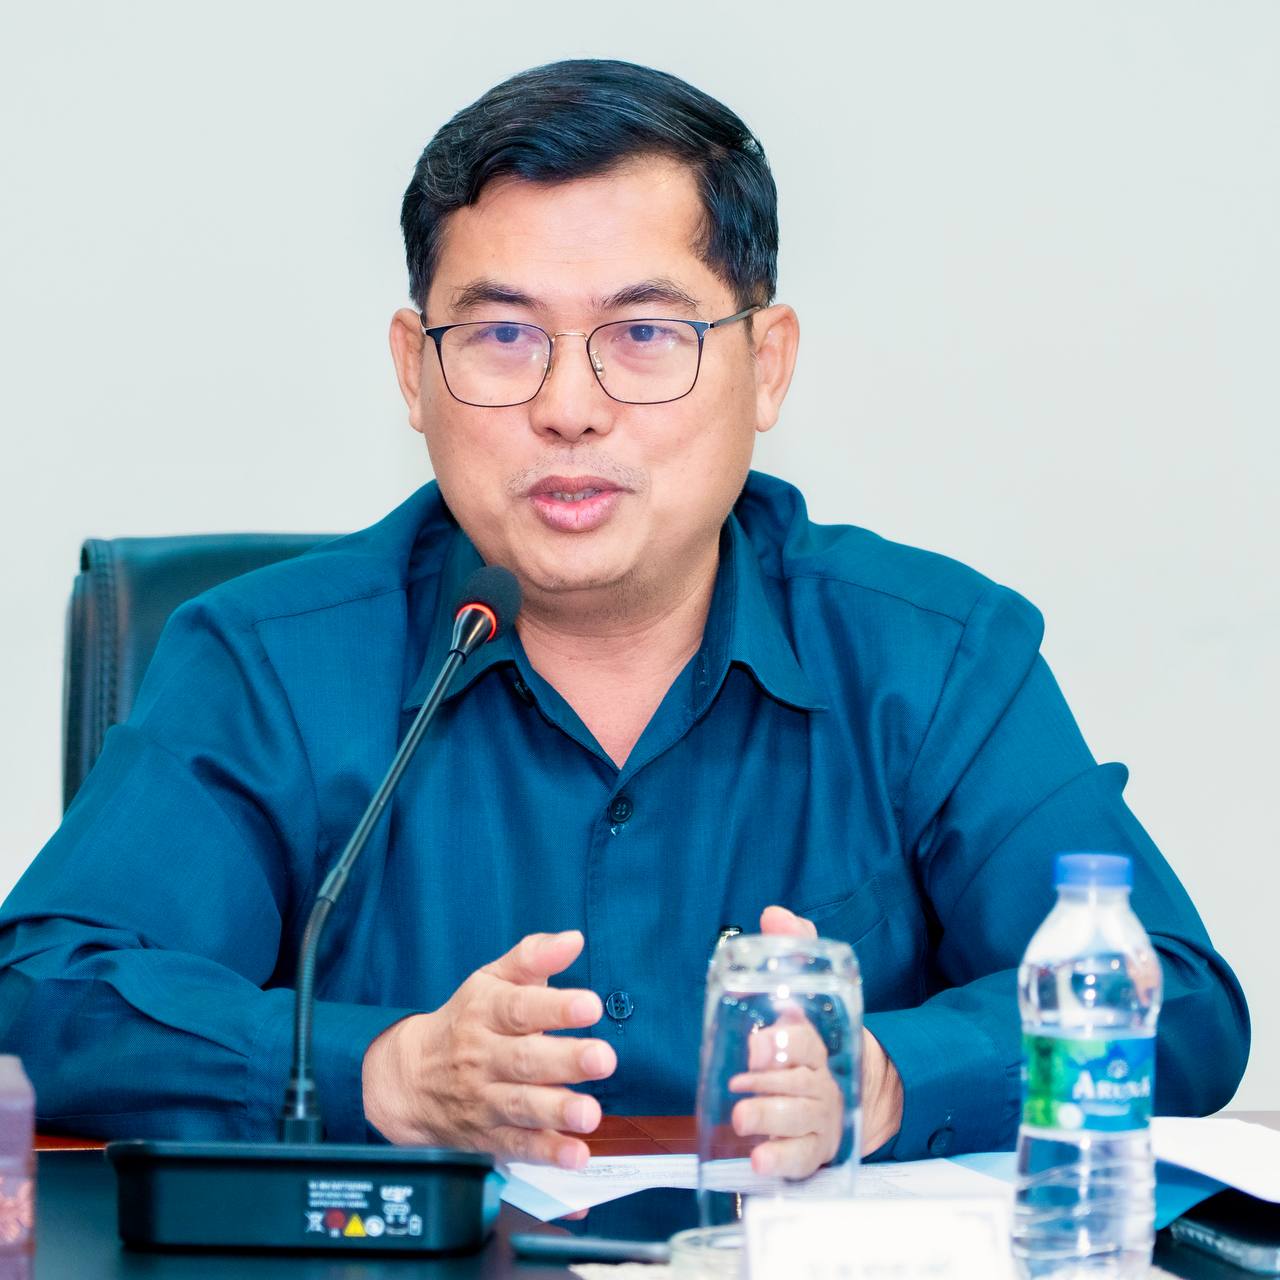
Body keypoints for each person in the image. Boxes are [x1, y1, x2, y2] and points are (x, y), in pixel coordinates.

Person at [0, 60, 1249, 1175]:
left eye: (643, 333)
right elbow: (36, 990)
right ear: (413, 371)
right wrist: (378, 1070)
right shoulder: (265, 662)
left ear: (766, 364)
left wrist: (888, 1078)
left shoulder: (932, 657)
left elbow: (1175, 1005)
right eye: (502, 335)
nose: (568, 406)